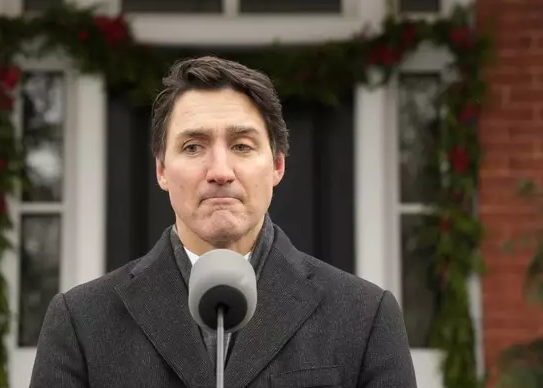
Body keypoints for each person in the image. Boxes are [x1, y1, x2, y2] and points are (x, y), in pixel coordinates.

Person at [29, 56, 417, 388]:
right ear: (162, 170)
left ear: (277, 165)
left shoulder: (365, 317)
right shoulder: (81, 322)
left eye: (241, 146)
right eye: (193, 146)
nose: (219, 171)